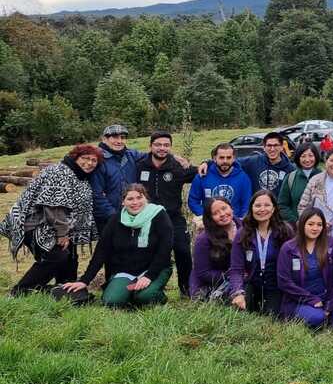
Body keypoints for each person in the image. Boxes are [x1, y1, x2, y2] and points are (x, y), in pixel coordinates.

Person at [1, 145, 102, 295]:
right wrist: (62, 233)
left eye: (94, 160)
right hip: (35, 223)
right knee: (57, 257)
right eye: (85, 158)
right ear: (75, 158)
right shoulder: (59, 172)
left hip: (56, 226)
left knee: (70, 259)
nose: (89, 163)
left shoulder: (80, 176)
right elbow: (53, 206)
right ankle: (19, 292)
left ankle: (65, 291)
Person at [61, 184, 173, 307]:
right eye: (130, 199)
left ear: (146, 199)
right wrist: (84, 280)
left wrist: (149, 276)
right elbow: (101, 251)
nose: (135, 202)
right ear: (123, 202)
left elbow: (165, 249)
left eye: (139, 197)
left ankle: (151, 295)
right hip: (125, 271)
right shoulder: (115, 220)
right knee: (112, 301)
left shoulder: (159, 215)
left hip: (153, 269)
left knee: (145, 297)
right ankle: (131, 293)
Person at [135, 130, 197, 297]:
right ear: (150, 146)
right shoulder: (140, 165)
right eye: (158, 145)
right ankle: (149, 287)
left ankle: (186, 289)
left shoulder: (178, 166)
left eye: (166, 145)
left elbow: (201, 173)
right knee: (149, 253)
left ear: (170, 147)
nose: (162, 148)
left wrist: (204, 164)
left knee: (183, 251)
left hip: (173, 217)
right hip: (147, 218)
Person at [277, 207, 333, 328]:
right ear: (302, 224)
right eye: (311, 224)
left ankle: (325, 317)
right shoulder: (288, 248)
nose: (315, 228)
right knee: (317, 317)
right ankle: (313, 318)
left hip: (328, 297)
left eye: (319, 224)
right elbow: (284, 282)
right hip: (300, 300)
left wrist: (330, 305)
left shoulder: (331, 243)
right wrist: (310, 299)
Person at [229, 190, 294, 316]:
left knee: (271, 317)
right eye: (257, 205)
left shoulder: (285, 231)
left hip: (276, 286)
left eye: (267, 205)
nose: (262, 209)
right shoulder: (242, 233)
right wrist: (238, 292)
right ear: (251, 208)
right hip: (252, 283)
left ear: (274, 208)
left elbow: (293, 264)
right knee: (239, 312)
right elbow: (236, 269)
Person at [90, 124, 144, 235]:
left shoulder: (131, 155)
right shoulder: (98, 159)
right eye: (114, 137)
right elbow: (96, 194)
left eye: (122, 137)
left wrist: (175, 158)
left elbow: (154, 156)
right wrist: (113, 216)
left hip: (132, 213)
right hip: (108, 217)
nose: (119, 141)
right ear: (104, 139)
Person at [298, 148, 333, 236]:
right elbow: (303, 207)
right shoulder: (315, 180)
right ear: (326, 161)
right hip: (315, 232)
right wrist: (314, 223)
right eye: (332, 160)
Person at [189, 197, 238, 301]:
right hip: (208, 284)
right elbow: (203, 273)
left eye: (224, 208)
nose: (222, 214)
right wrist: (233, 275)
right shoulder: (203, 239)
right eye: (215, 213)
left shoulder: (245, 229)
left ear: (231, 208)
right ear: (210, 218)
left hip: (238, 277)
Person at [188, 144, 252, 220]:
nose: (225, 161)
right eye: (221, 158)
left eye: (228, 158)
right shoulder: (203, 175)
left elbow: (246, 204)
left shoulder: (243, 177)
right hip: (210, 224)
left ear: (234, 158)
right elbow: (193, 201)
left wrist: (240, 222)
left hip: (234, 224)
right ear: (214, 158)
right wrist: (206, 216)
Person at [277, 143, 322, 224]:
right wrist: (296, 221)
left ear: (316, 157)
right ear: (298, 158)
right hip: (296, 228)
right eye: (303, 156)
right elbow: (282, 205)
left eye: (310, 155)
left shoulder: (323, 177)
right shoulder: (291, 178)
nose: (307, 160)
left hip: (319, 226)